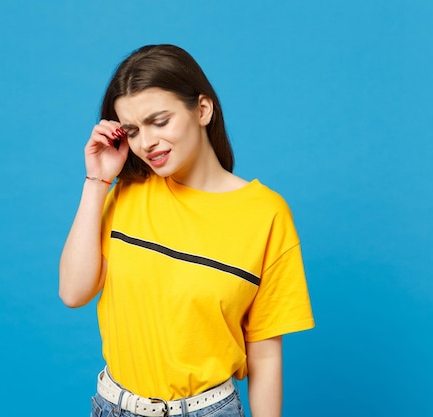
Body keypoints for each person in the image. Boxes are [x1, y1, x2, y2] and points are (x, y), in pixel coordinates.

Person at [59, 44, 314, 417]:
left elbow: (265, 353)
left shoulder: (265, 214)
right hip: (112, 406)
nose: (146, 143)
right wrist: (97, 180)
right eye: (132, 130)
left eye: (159, 121)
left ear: (202, 109)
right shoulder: (128, 192)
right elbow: (73, 292)